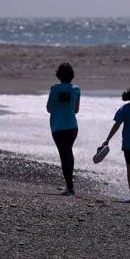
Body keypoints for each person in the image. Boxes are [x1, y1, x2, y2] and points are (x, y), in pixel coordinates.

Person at [46, 62, 81, 196]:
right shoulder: (76, 89)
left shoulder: (54, 89)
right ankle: (69, 186)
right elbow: (76, 110)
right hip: (72, 126)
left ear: (59, 75)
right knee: (69, 153)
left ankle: (70, 187)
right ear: (71, 75)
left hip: (58, 126)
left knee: (63, 154)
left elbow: (49, 108)